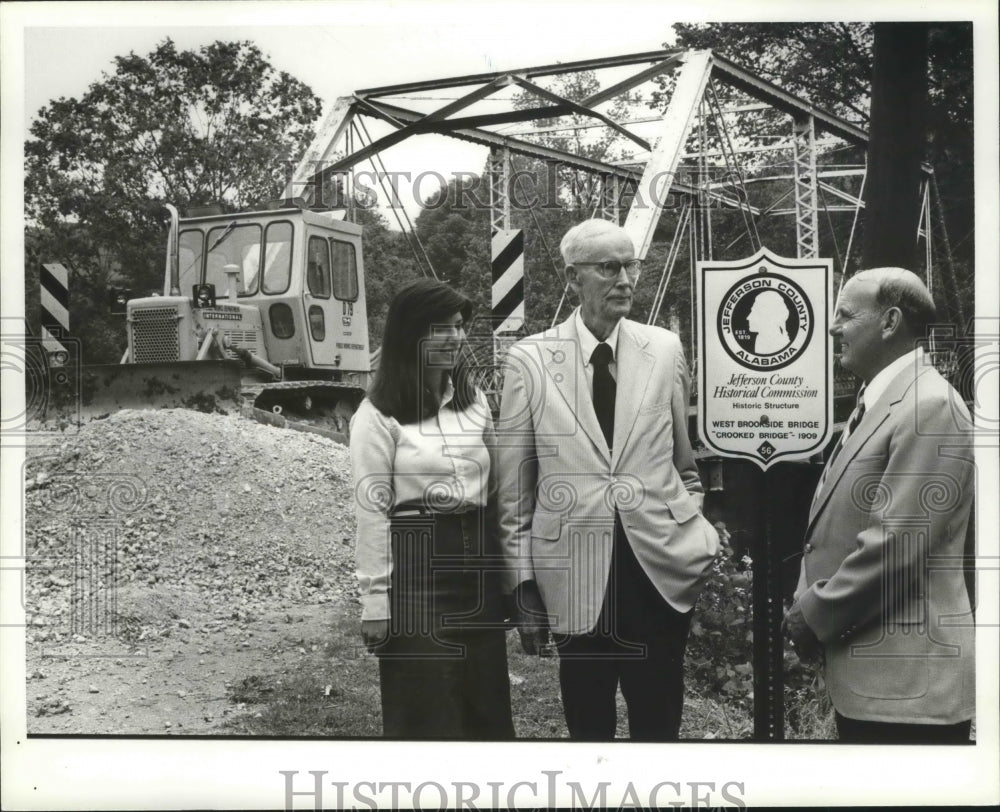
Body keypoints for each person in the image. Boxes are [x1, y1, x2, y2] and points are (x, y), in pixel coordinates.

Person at [497, 218, 719, 741]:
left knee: (659, 720)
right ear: (573, 279)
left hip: (658, 572)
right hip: (574, 575)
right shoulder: (529, 360)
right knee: (588, 722)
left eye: (631, 265)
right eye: (609, 267)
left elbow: (685, 466)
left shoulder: (664, 350)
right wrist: (524, 586)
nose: (626, 279)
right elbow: (513, 493)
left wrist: (695, 534)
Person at [784, 267, 975, 743]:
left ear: (889, 322)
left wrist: (814, 614)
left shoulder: (929, 407)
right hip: (882, 677)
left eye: (845, 315)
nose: (832, 327)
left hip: (908, 689)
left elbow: (897, 546)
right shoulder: (888, 400)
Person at [349, 279, 514, 739]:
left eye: (459, 326)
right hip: (418, 570)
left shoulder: (474, 402)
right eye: (439, 327)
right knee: (426, 714)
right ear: (409, 335)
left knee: (487, 710)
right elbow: (371, 512)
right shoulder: (377, 416)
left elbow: (497, 490)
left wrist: (509, 579)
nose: (455, 338)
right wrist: (375, 600)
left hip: (478, 563)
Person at [747, 290, 791, 354]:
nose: (748, 317)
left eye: (755, 313)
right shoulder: (760, 339)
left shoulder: (778, 345)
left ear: (769, 317)